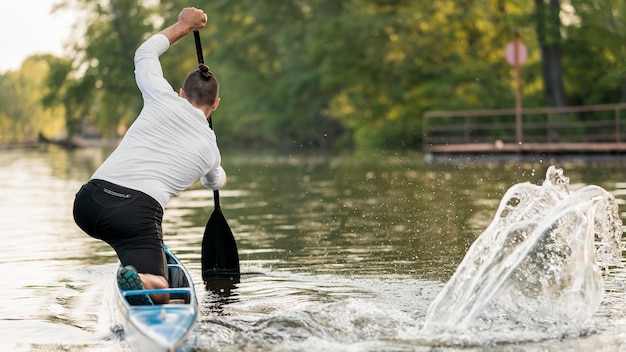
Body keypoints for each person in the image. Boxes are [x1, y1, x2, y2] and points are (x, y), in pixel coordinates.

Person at [73, 7, 226, 305]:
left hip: (88, 203)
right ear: (216, 104)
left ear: (181, 93)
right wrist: (220, 175)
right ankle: (141, 278)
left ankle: (132, 265)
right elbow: (215, 182)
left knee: (126, 236)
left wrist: (184, 26)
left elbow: (145, 53)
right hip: (135, 216)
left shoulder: (160, 95)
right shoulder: (211, 150)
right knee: (161, 289)